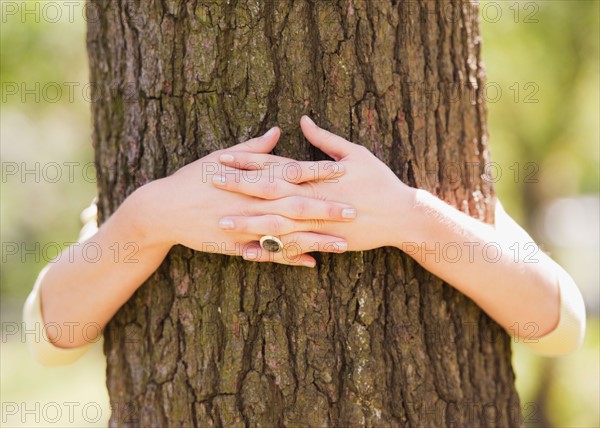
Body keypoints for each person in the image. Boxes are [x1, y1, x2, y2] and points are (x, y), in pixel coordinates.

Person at [23, 115, 586, 365]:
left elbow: (558, 326)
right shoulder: (132, 207)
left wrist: (409, 216)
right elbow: (48, 337)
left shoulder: (451, 181)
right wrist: (148, 218)